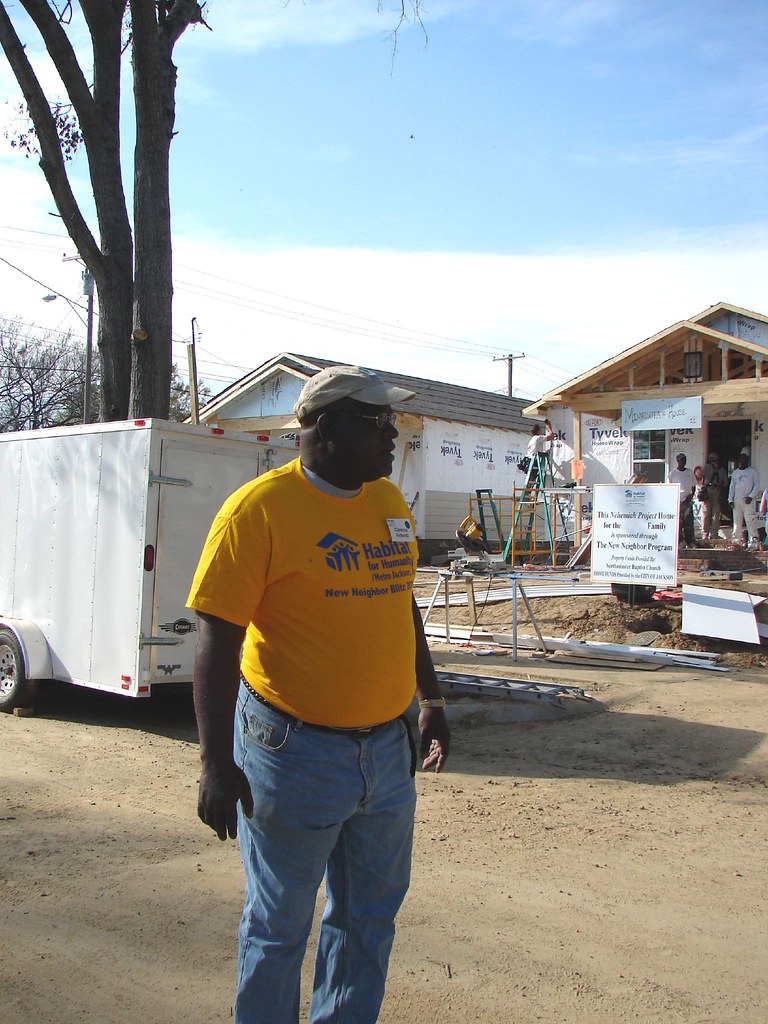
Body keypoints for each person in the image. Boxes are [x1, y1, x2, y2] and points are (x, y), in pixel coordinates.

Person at [187, 365, 450, 1024]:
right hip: (292, 755)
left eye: (394, 422)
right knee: (278, 929)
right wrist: (215, 763)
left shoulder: (387, 502)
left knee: (367, 922)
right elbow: (217, 641)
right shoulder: (259, 512)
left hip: (388, 757)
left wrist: (432, 700)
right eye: (379, 422)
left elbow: (402, 606)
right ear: (325, 426)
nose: (394, 435)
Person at [728, 451, 760, 549]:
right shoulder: (735, 472)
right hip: (737, 500)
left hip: (748, 500)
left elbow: (757, 485)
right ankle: (736, 542)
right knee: (737, 522)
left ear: (748, 461)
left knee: (750, 520)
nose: (743, 461)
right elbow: (732, 487)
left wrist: (751, 496)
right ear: (739, 461)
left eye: (745, 459)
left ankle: (754, 541)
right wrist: (730, 500)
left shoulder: (753, 471)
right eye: (742, 459)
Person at [668, 452, 696, 547]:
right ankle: (680, 541)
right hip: (677, 500)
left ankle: (689, 540)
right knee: (678, 522)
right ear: (677, 461)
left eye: (684, 460)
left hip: (687, 500)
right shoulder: (673, 473)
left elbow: (694, 486)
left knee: (688, 521)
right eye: (681, 460)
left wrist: (691, 496)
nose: (683, 462)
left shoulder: (689, 472)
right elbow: (670, 487)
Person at [700, 451, 728, 542]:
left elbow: (700, 476)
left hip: (707, 490)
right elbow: (726, 483)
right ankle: (714, 534)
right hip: (717, 490)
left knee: (706, 513)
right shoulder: (722, 469)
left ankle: (705, 534)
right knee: (716, 514)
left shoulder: (706, 467)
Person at [525, 418, 555, 483]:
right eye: (540, 430)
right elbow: (552, 436)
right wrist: (549, 428)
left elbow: (535, 450)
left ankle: (528, 492)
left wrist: (543, 453)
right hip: (534, 461)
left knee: (531, 480)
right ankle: (529, 492)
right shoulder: (538, 437)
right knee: (533, 479)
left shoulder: (533, 439)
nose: (542, 431)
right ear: (538, 431)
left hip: (529, 461)